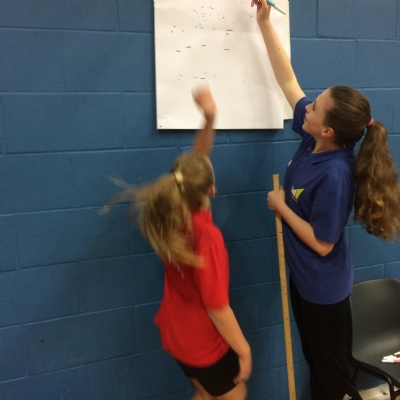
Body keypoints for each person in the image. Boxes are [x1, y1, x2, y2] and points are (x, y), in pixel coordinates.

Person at [250, 1, 400, 399]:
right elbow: (288, 80)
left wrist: (281, 206)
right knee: (317, 364)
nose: (308, 106)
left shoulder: (335, 175)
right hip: (305, 280)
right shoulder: (312, 137)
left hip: (323, 289)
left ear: (328, 129)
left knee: (331, 377)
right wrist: (265, 23)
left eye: (315, 106)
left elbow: (322, 243)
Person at [103, 87, 252, 400]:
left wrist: (209, 118)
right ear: (211, 191)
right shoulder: (207, 236)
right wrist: (243, 350)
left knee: (205, 394)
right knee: (235, 395)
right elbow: (217, 307)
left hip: (176, 332)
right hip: (202, 342)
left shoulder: (172, 213)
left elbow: (197, 161)